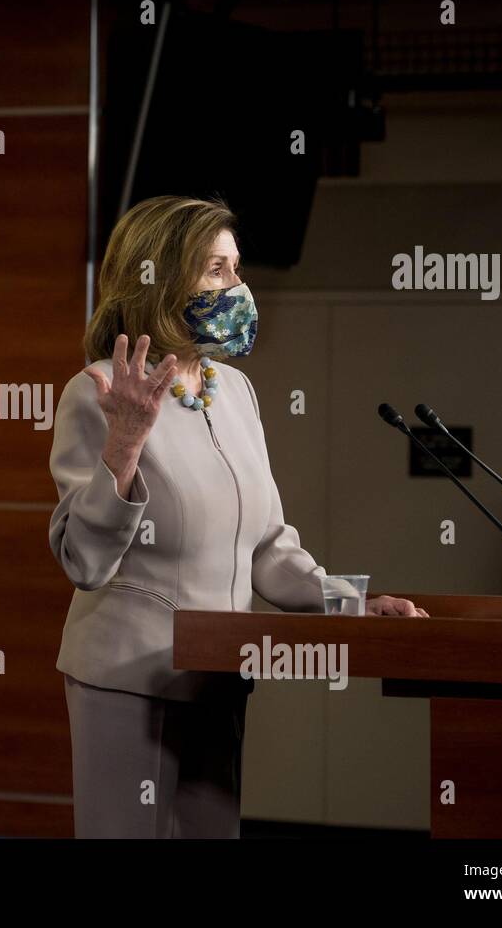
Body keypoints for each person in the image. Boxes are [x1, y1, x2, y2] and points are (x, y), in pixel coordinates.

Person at [47, 195, 426, 839]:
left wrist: (355, 606)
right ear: (162, 279)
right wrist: (125, 447)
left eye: (237, 268)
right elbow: (83, 561)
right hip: (128, 677)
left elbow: (271, 549)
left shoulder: (235, 390)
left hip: (218, 677)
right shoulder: (102, 389)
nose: (238, 286)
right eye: (216, 270)